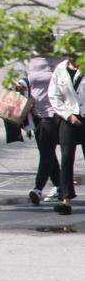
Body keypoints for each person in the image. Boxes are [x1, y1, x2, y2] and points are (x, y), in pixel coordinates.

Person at [20, 35, 65, 206]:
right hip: (36, 113)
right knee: (48, 153)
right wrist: (20, 84)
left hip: (56, 112)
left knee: (46, 152)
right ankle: (60, 186)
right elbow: (26, 78)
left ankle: (38, 189)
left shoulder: (61, 59)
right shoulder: (31, 60)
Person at [48, 51, 85, 216]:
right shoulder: (60, 69)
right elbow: (54, 96)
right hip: (68, 116)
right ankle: (65, 198)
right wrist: (68, 115)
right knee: (66, 156)